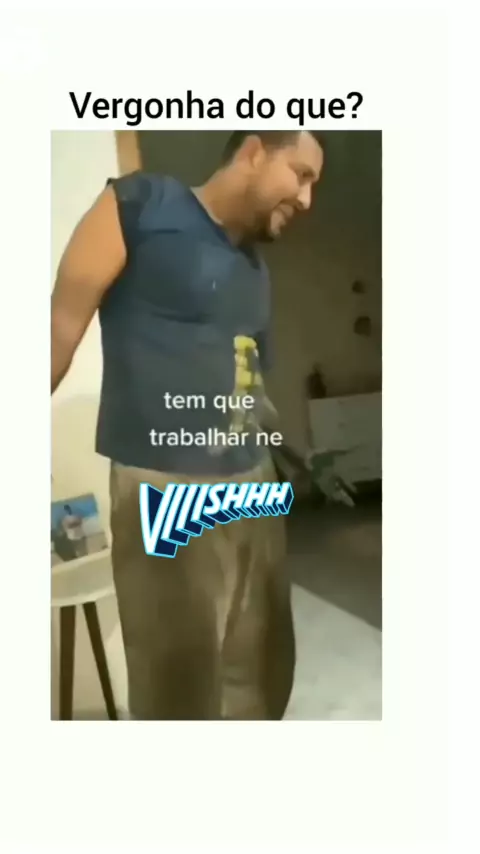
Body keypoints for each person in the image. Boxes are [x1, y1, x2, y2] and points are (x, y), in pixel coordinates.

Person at [51, 130, 324, 720]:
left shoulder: (254, 269)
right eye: (300, 175)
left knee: (261, 675)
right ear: (254, 151)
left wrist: (289, 456)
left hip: (253, 486)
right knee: (178, 691)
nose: (306, 200)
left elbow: (250, 384)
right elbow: (57, 331)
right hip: (167, 485)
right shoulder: (138, 205)